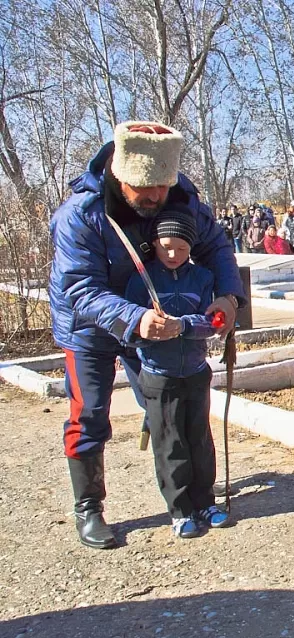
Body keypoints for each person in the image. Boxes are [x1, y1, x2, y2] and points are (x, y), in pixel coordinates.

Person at [48, 120, 242, 549]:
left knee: (167, 408)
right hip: (89, 327)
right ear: (121, 173)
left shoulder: (181, 199)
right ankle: (89, 507)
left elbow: (216, 248)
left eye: (162, 187)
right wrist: (134, 318)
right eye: (145, 189)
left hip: (157, 323)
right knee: (90, 412)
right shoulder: (80, 215)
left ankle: (188, 495)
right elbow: (79, 287)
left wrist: (229, 297)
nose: (155, 197)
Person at [124, 209, 232, 538]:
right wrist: (148, 329)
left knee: (199, 439)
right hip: (159, 374)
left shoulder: (202, 279)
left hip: (196, 371)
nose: (173, 255)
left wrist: (183, 325)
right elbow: (129, 325)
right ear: (154, 243)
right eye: (167, 246)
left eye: (182, 249)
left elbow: (214, 323)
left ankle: (205, 502)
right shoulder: (140, 280)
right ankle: (180, 509)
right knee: (171, 444)